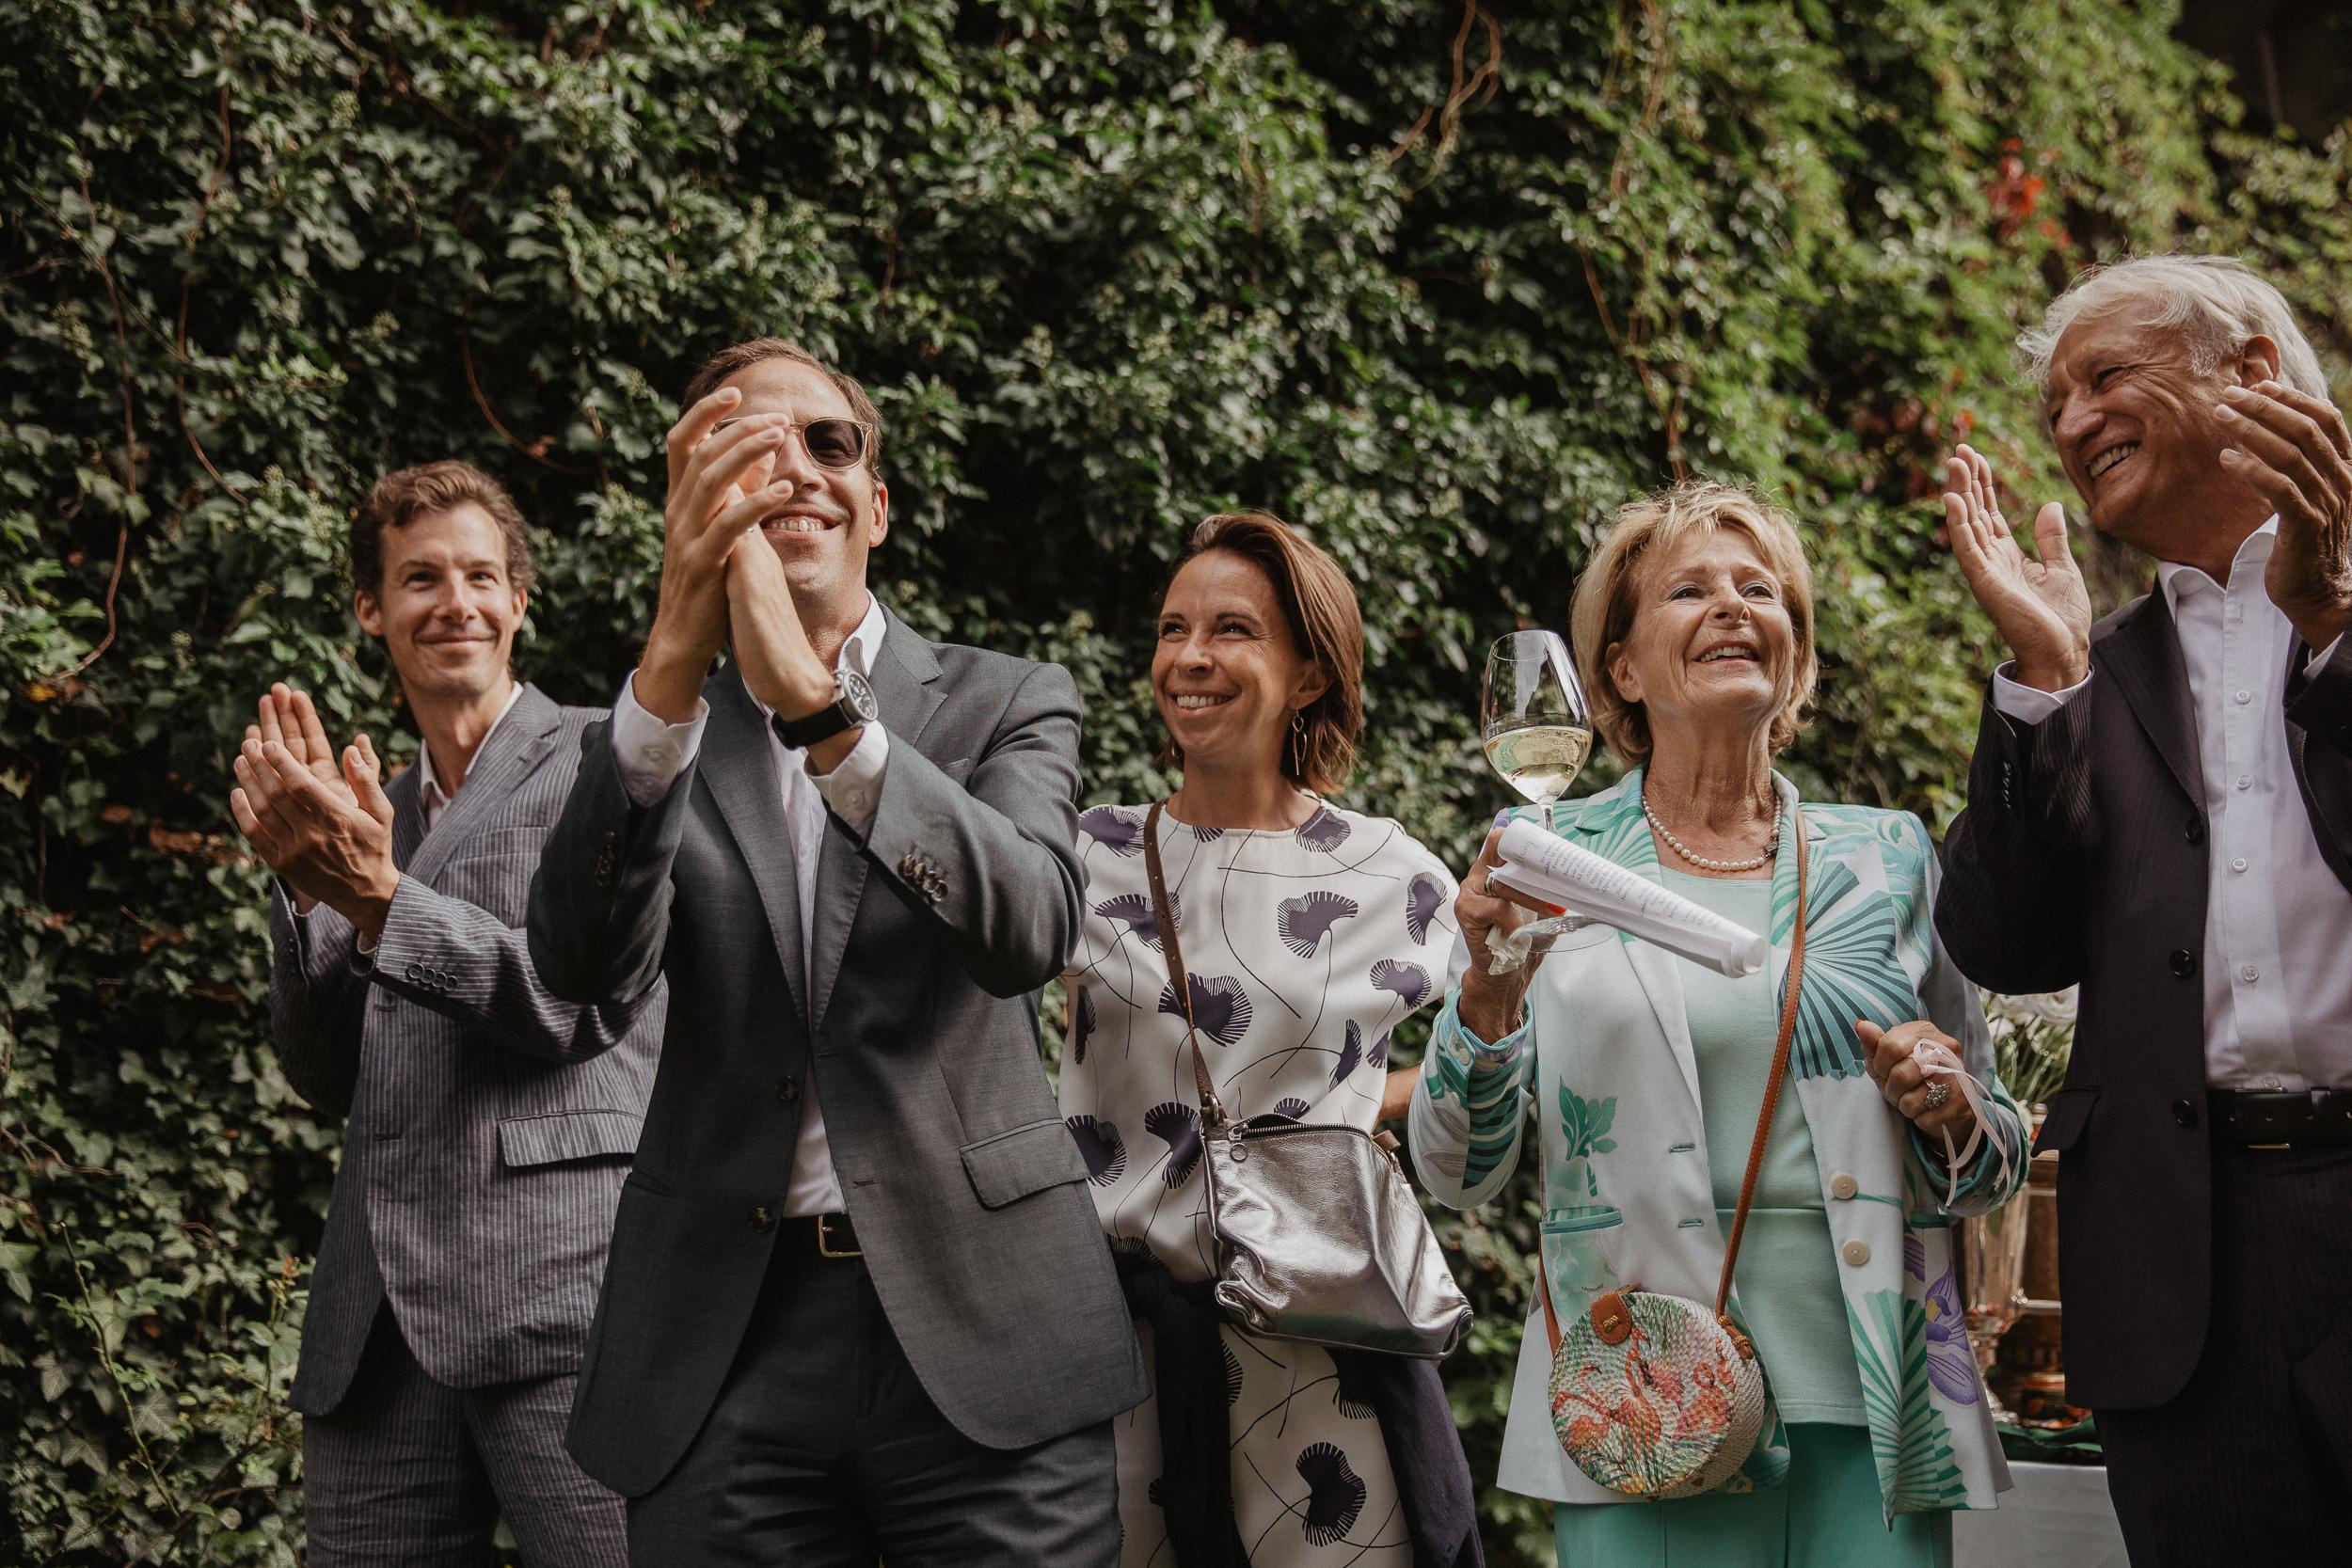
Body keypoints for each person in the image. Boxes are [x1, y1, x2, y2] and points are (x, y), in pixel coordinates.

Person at [524, 339, 1145, 1565]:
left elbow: (1030, 924)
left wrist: (820, 710)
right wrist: (669, 667)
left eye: (829, 442)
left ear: (877, 503)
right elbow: (581, 966)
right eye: (749, 446)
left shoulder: (1005, 699)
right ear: (697, 498)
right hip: (723, 1346)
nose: (795, 468)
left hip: (986, 1327)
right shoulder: (650, 732)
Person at [1412, 480, 2030, 1568]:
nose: (1734, 605)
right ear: (1621, 667)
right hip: (1640, 1396)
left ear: (1791, 653)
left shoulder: (1883, 857)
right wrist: (1486, 994)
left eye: (1761, 589)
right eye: (1689, 590)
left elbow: (1994, 1159)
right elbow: (1458, 1170)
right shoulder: (1549, 864)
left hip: (1872, 1398)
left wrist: (1947, 1106)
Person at [1936, 254, 2352, 1565]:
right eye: (2057, 402)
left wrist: (2334, 626)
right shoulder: (2094, 670)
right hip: (2182, 1269)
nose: (2069, 422)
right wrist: (2045, 685)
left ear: (2252, 374)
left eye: (2106, 376)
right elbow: (2004, 940)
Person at [230, 460, 664, 1567]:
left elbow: (576, 999)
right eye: (419, 577)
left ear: (521, 598)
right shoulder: (366, 803)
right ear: (372, 608)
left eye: (480, 575)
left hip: (567, 1295)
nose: (454, 601)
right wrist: (310, 886)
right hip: (373, 1328)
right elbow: (327, 1072)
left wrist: (378, 892)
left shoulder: (604, 764)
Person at [1058, 512, 1483, 1568]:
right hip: (1122, 1355)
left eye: (1233, 629)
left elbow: (1502, 1057)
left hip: (1324, 1356)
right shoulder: (1085, 856)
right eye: (1172, 628)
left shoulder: (1399, 875)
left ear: (1306, 675)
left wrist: (1345, 1116)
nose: (1191, 657)